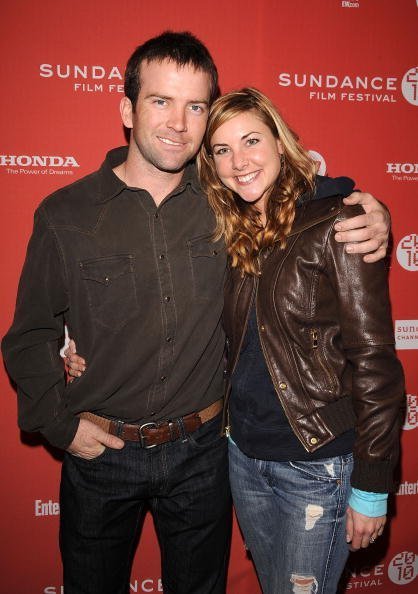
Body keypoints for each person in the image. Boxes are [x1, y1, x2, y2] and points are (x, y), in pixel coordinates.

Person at [1, 31, 390, 594]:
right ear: (127, 109)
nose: (179, 123)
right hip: (101, 454)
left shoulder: (228, 204)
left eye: (196, 106)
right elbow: (30, 335)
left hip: (205, 455)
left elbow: (305, 199)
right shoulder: (66, 213)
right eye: (161, 101)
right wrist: (60, 426)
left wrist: (367, 207)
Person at [197, 88, 404, 594]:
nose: (238, 162)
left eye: (250, 141)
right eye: (222, 150)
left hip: (315, 464)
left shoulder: (340, 222)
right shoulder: (233, 229)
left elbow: (374, 360)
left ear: (280, 141)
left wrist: (373, 487)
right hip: (243, 457)